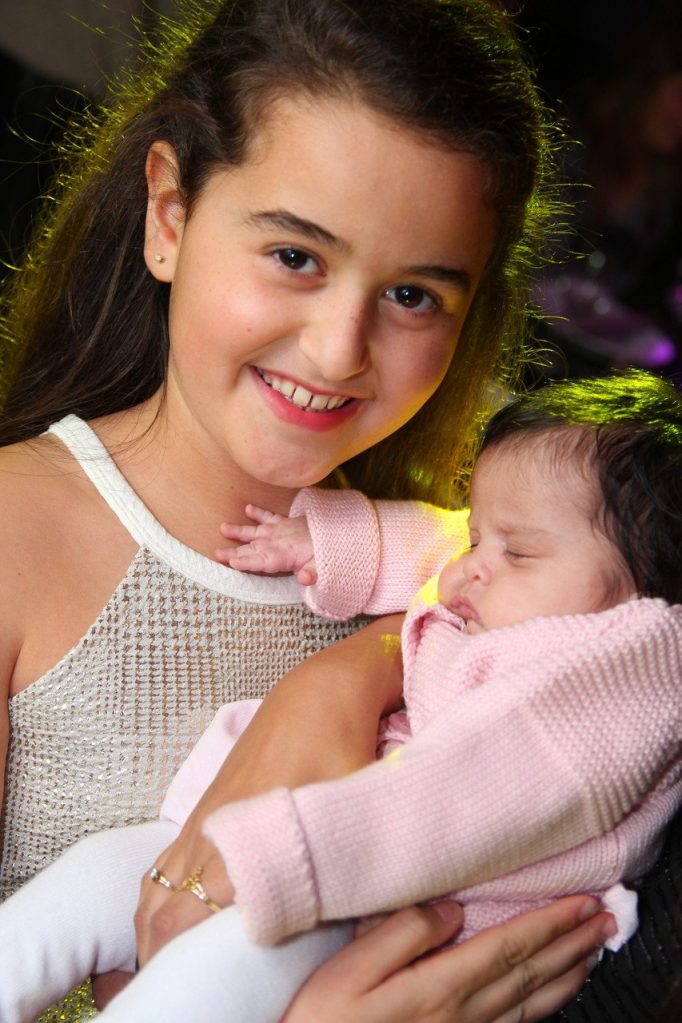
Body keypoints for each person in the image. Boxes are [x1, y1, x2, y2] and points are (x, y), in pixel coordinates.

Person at [0, 0, 616, 1020]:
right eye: (295, 256)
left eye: (413, 295)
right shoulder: (14, 532)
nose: (337, 350)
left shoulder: (490, 576)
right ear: (169, 216)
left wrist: (345, 676)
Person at [1, 369, 680, 1022]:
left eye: (519, 552)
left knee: (211, 974)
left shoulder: (613, 694)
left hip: (385, 905)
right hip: (311, 854)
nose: (469, 563)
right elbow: (429, 540)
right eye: (479, 535)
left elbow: (450, 800)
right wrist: (321, 542)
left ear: (649, 587)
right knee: (93, 877)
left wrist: (281, 851)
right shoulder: (527, 592)